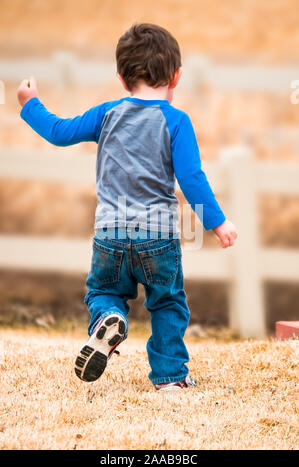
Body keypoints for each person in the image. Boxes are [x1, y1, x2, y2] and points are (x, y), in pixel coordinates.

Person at [17, 23, 237, 391]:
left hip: (110, 233)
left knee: (103, 291)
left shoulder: (107, 114)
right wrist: (218, 223)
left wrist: (31, 103)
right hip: (158, 238)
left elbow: (59, 131)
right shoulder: (176, 121)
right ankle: (170, 379)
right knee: (167, 303)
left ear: (121, 78)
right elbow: (192, 178)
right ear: (177, 76)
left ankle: (109, 317)